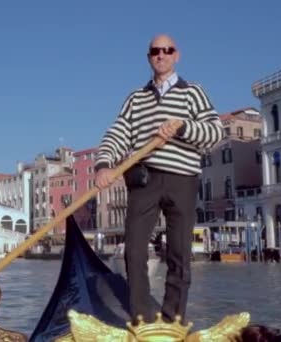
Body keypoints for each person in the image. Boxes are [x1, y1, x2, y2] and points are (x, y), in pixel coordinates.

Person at [94, 34, 223, 324]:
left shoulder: (193, 93)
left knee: (179, 253)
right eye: (155, 50)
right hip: (144, 179)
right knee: (135, 251)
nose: (161, 54)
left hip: (183, 179)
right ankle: (142, 318)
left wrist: (182, 127)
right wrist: (103, 165)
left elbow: (215, 133)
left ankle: (173, 319)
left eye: (168, 50)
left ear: (177, 55)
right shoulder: (135, 98)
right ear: (149, 56)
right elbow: (117, 133)